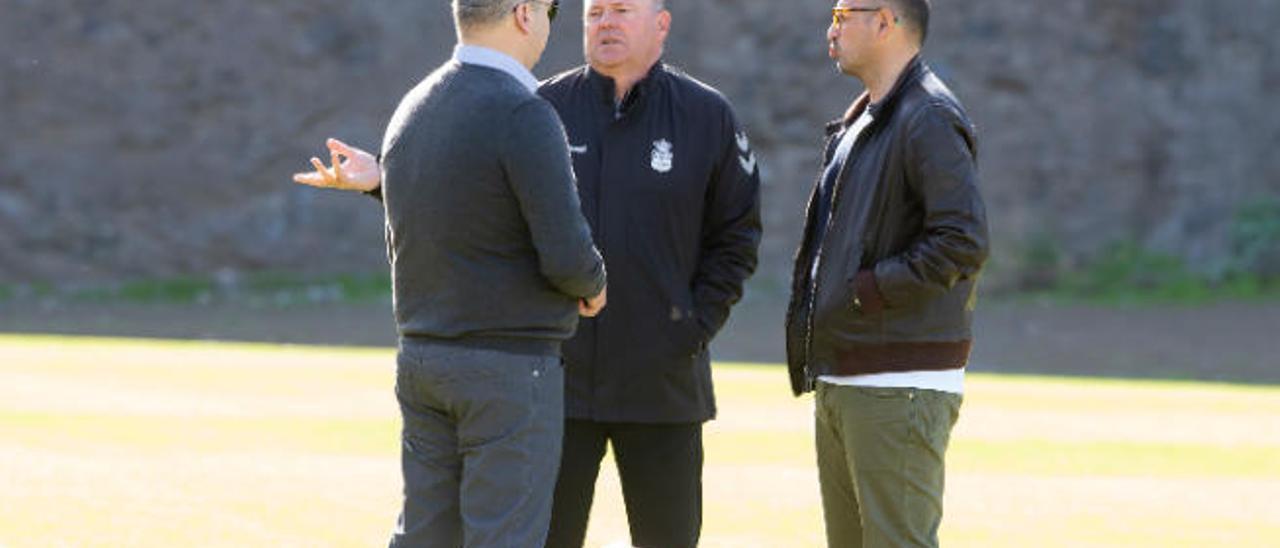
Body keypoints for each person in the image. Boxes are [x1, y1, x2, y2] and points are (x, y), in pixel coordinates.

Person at [298, 1, 761, 545]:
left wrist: (690, 327)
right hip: (554, 381)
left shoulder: (707, 115)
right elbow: (476, 203)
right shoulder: (538, 106)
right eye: (593, 13)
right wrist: (383, 182)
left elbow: (736, 238)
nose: (604, 22)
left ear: (661, 23)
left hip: (662, 384)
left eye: (621, 10)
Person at [296, 0, 608, 545]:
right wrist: (594, 284)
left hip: (423, 357)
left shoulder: (415, 104)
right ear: (523, 13)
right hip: (508, 369)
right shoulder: (523, 112)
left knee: (424, 535)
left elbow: (435, 216)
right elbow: (566, 253)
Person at [783, 1, 989, 546]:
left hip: (897, 384)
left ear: (886, 22)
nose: (832, 27)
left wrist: (865, 294)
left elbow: (962, 241)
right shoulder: (865, 119)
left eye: (845, 12)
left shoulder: (929, 115)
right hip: (850, 375)